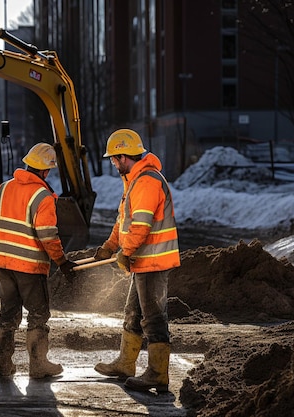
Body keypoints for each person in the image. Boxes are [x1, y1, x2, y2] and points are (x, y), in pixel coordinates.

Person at [93, 128, 180, 393]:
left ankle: (157, 374)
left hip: (153, 262)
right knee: (133, 313)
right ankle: (125, 363)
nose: (112, 163)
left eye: (113, 159)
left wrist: (125, 252)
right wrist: (110, 246)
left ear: (123, 156)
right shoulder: (134, 180)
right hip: (142, 262)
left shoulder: (146, 182)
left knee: (153, 319)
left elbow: (140, 227)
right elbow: (124, 221)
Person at [0, 142, 78, 379]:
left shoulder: (4, 188)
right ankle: (38, 366)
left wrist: (3, 246)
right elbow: (47, 235)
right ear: (45, 171)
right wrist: (62, 262)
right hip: (30, 267)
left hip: (3, 264)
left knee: (7, 314)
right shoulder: (42, 196)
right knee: (37, 314)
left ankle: (4, 368)